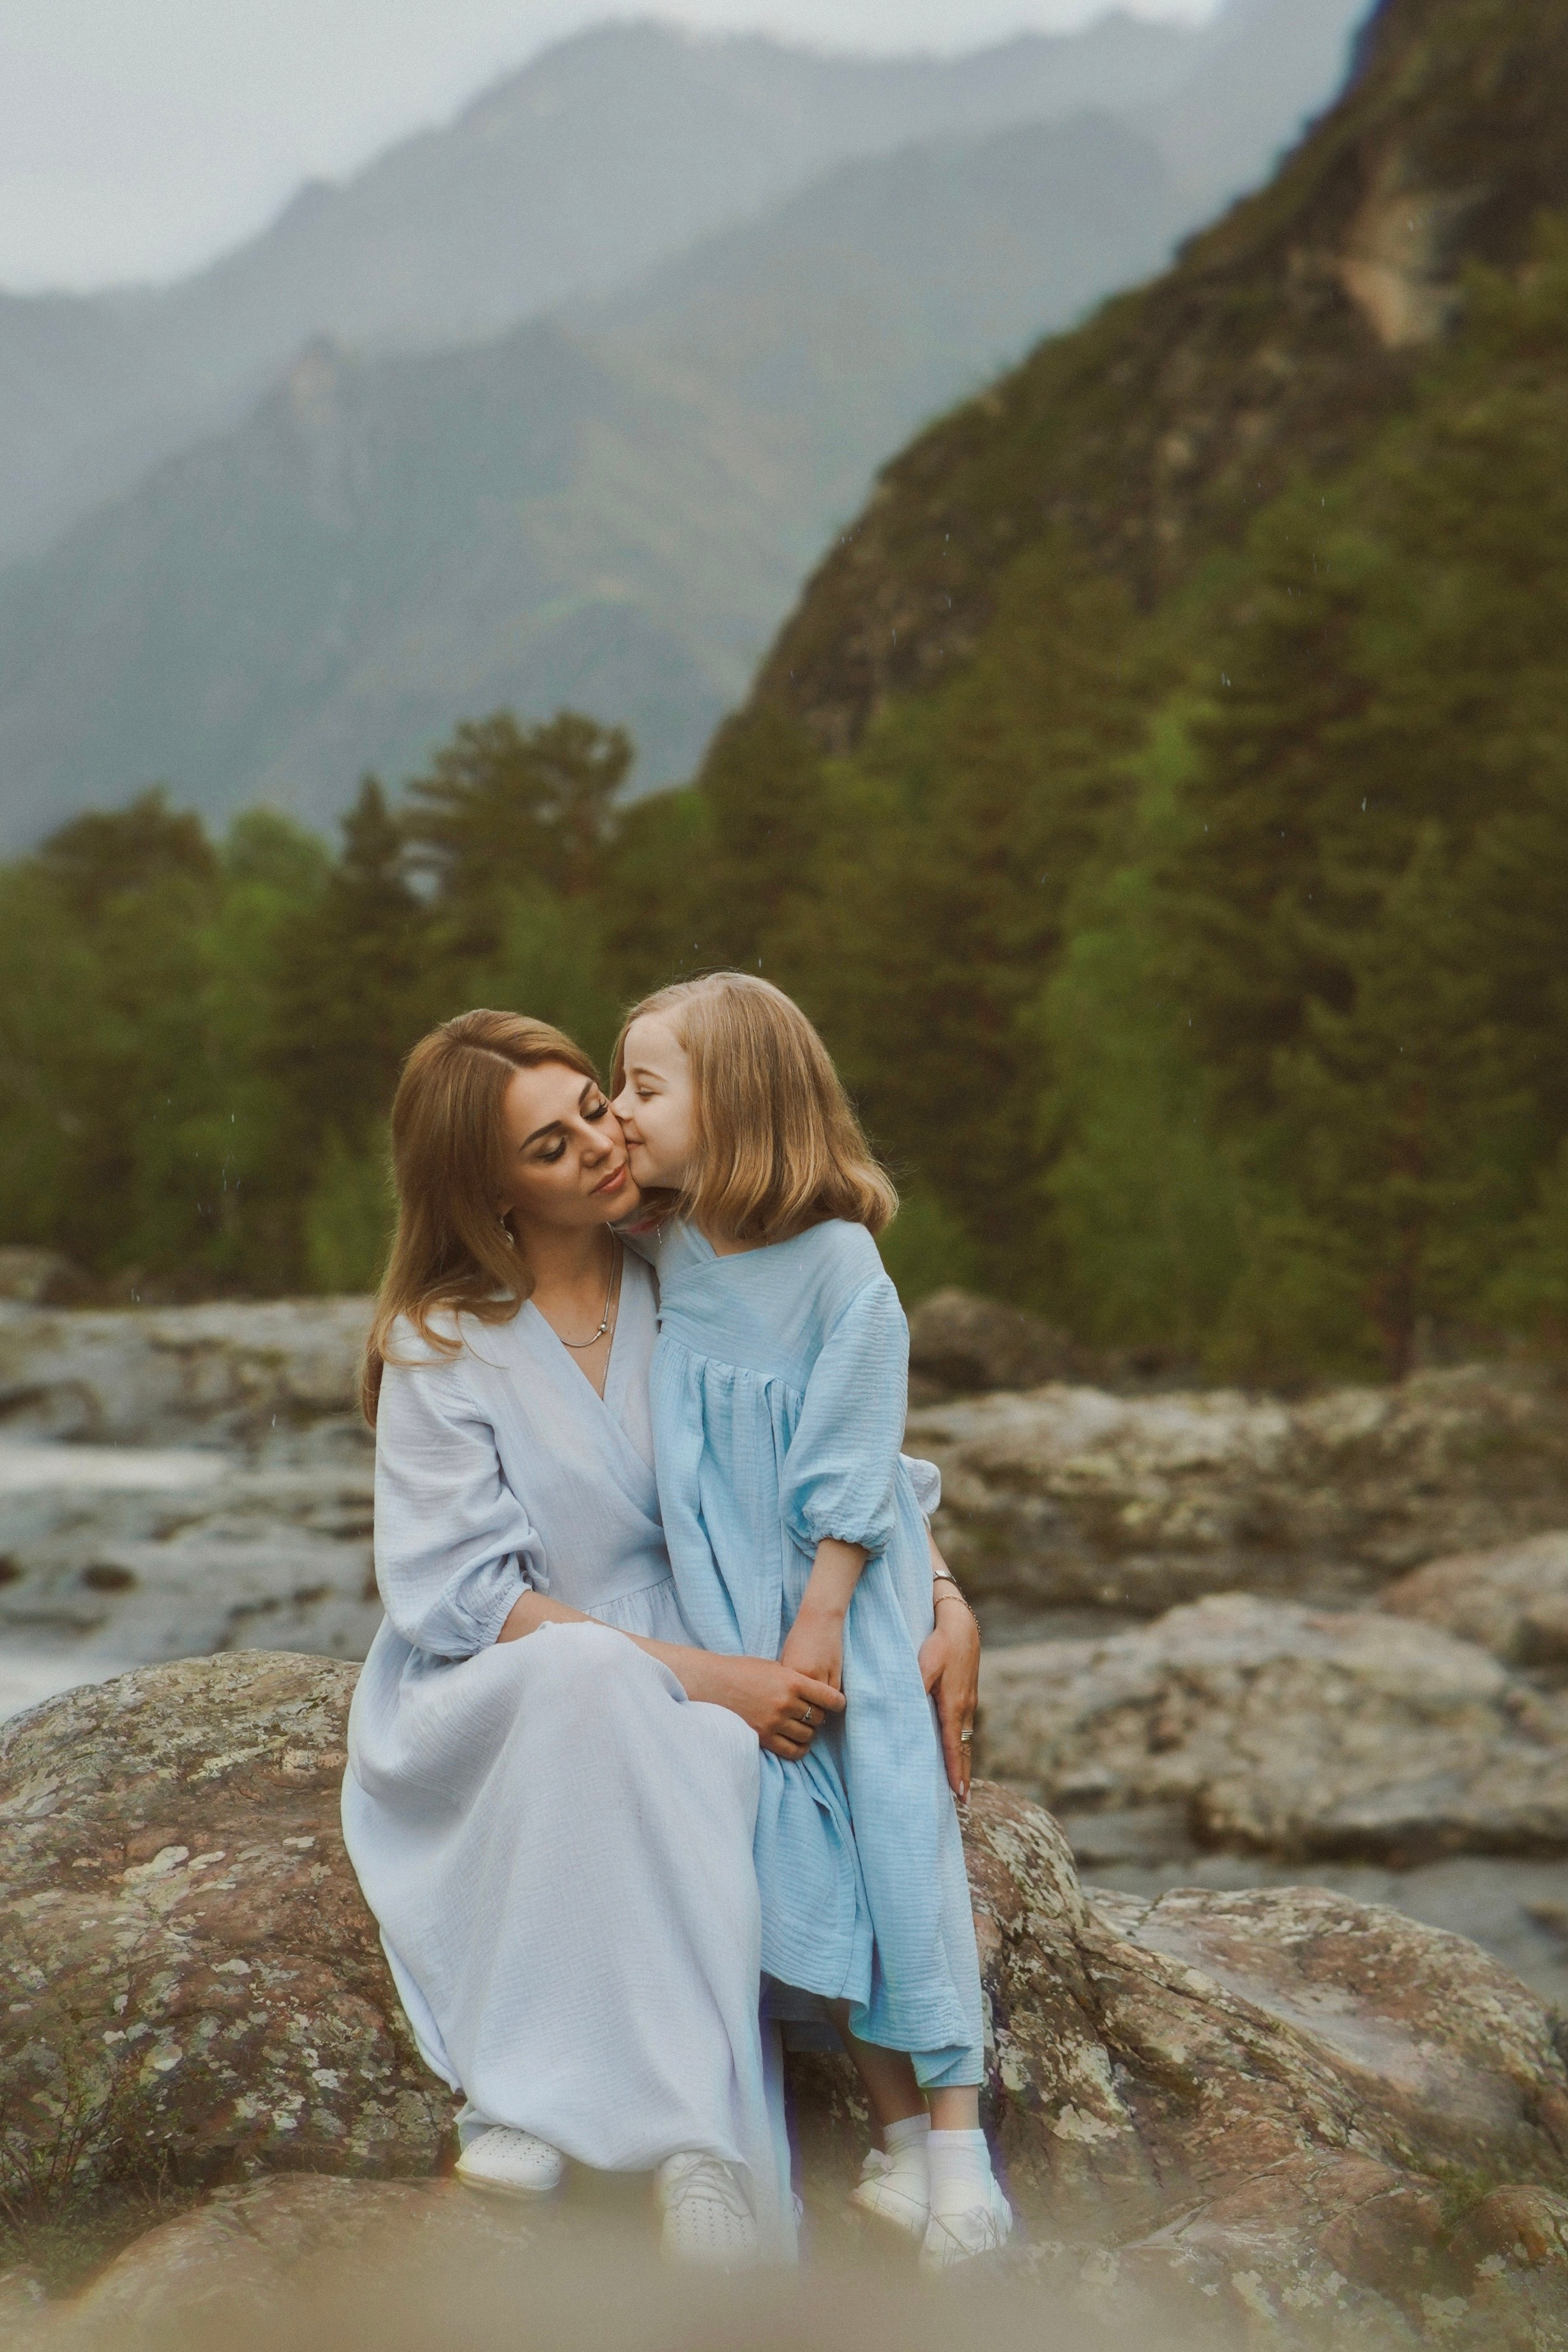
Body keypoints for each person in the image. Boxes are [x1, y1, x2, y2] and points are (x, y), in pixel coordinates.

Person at [340, 1008, 980, 2267]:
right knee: (600, 1688)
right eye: (549, 1143)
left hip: (703, 1671)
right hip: (509, 1680)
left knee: (715, 1767)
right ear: (485, 1189)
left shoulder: (687, 1264)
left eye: (592, 1103)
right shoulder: (442, 1344)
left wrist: (947, 1603)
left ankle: (705, 2153)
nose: (597, 1141)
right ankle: (523, 2093)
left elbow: (837, 1442)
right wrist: (711, 1678)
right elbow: (463, 1598)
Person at [611, 974, 1010, 2271]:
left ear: (736, 1107)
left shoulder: (841, 1263)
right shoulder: (661, 1253)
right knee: (802, 1848)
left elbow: (858, 1454)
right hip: (728, 1613)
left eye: (645, 1088)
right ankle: (895, 2147)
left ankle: (960, 2152)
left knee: (901, 1828)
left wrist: (836, 1612)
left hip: (837, 1602)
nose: (621, 1111)